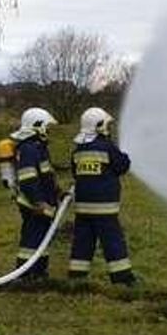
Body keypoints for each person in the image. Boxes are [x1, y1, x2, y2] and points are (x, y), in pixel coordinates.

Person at [69, 107, 136, 285]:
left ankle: (76, 277)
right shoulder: (107, 147)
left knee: (82, 242)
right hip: (104, 208)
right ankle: (122, 278)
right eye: (106, 124)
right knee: (113, 242)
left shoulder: (79, 149)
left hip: (82, 208)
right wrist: (123, 154)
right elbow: (122, 166)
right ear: (99, 126)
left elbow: (76, 174)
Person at [10, 107, 60, 277]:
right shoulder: (29, 149)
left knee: (41, 238)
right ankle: (25, 273)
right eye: (47, 126)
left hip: (39, 202)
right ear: (38, 126)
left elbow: (45, 175)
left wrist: (58, 193)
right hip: (33, 204)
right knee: (32, 239)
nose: (48, 130)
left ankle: (38, 271)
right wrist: (39, 202)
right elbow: (28, 179)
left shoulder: (37, 147)